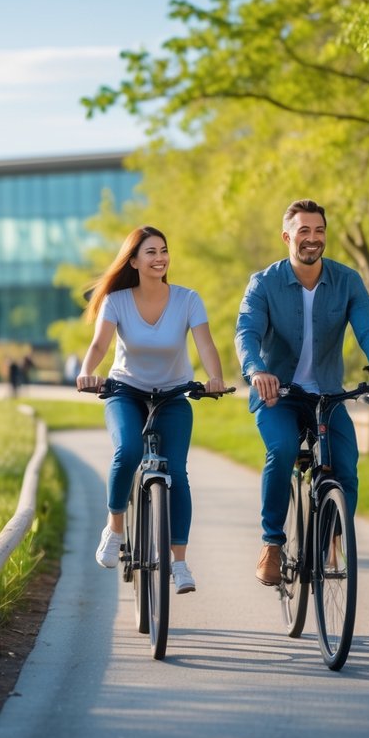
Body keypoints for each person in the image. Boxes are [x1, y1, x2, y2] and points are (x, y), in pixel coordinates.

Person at [235, 200, 369, 586]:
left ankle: (330, 541)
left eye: (319, 231)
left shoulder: (347, 281)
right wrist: (257, 370)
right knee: (282, 450)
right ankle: (272, 543)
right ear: (287, 237)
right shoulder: (264, 283)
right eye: (304, 231)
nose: (312, 239)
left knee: (346, 467)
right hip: (278, 394)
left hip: (327, 395)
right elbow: (246, 332)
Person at [77, 225, 228, 594]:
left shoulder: (187, 299)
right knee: (128, 450)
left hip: (174, 394)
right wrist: (86, 373)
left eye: (164, 250)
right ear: (133, 260)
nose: (160, 257)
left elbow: (205, 344)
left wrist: (215, 378)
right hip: (125, 391)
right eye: (151, 252)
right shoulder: (117, 301)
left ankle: (179, 563)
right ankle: (114, 528)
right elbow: (100, 345)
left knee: (176, 472)